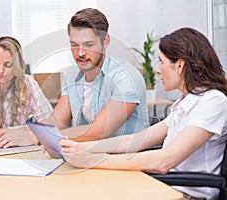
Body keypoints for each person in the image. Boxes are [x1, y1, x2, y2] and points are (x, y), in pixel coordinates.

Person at [59, 27, 227, 199]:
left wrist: (91, 160)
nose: (157, 70)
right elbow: (137, 140)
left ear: (180, 64)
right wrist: (82, 148)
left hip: (186, 194)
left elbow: (164, 161)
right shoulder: (185, 103)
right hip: (164, 185)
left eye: (161, 62)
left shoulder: (213, 102)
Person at [43, 8, 149, 142]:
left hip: (127, 157)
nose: (80, 53)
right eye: (74, 45)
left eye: (88, 45)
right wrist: (27, 133)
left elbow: (98, 131)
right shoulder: (71, 75)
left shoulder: (126, 76)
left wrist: (47, 136)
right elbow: (57, 120)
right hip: (86, 154)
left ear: (105, 41)